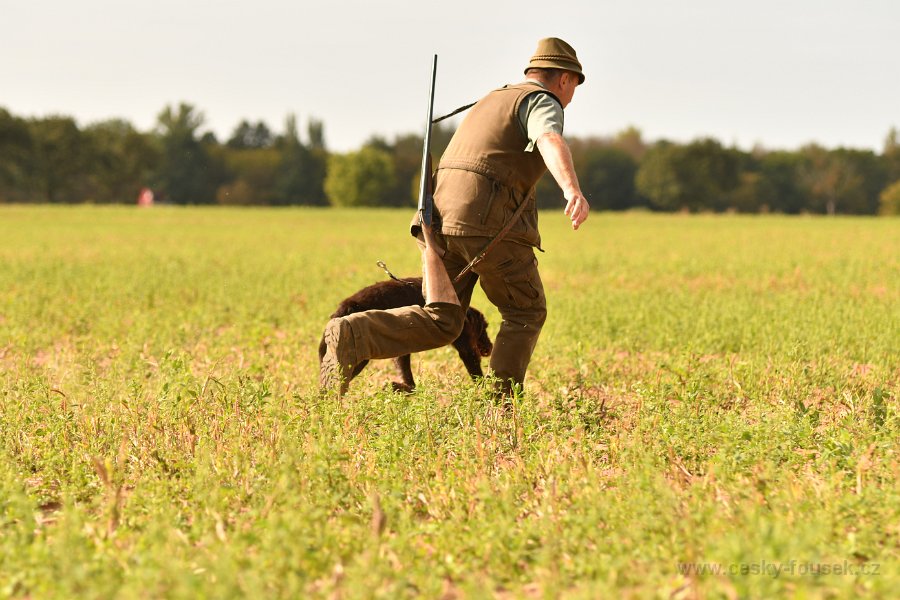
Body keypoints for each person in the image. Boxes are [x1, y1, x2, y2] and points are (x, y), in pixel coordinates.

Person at [321, 37, 589, 397]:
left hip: (437, 221)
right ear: (564, 79)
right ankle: (500, 409)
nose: (571, 95)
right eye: (573, 86)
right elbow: (548, 138)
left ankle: (355, 333)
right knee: (525, 311)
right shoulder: (541, 100)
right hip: (484, 223)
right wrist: (571, 189)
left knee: (444, 319)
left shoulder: (491, 99)